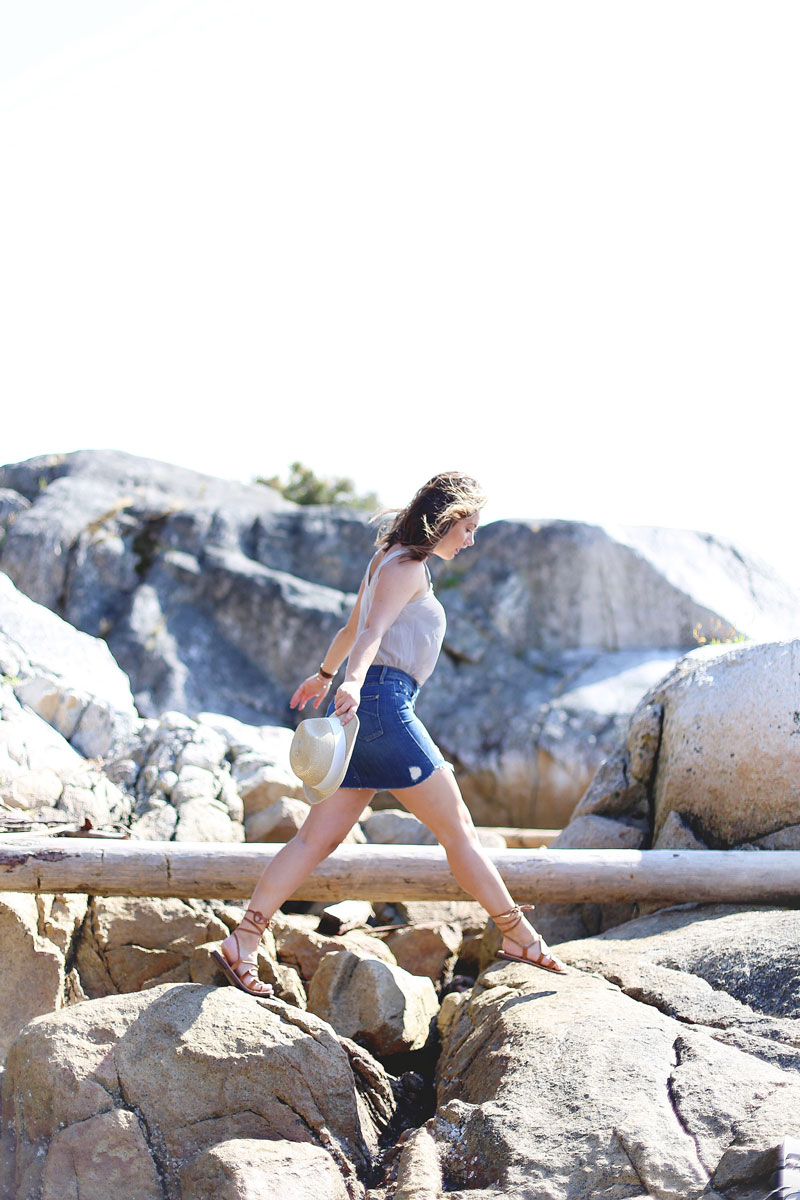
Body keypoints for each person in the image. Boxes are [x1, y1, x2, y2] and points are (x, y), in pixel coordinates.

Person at [213, 472, 566, 996]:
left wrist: (325, 675)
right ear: (445, 519)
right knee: (459, 830)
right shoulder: (407, 567)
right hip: (382, 705)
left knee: (317, 837)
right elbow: (371, 633)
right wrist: (351, 681)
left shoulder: (386, 558)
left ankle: (244, 938)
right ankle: (520, 937)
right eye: (467, 527)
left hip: (365, 706)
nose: (471, 540)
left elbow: (350, 629)